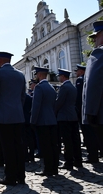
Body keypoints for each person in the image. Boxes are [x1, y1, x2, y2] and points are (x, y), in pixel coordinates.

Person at [0, 52, 26, 185]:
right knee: (19, 147)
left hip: (3, 117)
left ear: (0, 60)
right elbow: (23, 97)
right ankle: (21, 176)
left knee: (8, 148)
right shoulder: (20, 74)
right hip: (18, 116)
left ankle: (10, 177)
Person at [31, 67, 59, 177]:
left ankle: (48, 169)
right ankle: (54, 168)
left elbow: (36, 106)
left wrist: (33, 121)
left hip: (42, 121)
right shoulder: (51, 88)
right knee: (53, 146)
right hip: (52, 120)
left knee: (45, 147)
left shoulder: (39, 88)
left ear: (39, 75)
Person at [82, 20, 103, 159]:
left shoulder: (99, 53)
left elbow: (93, 84)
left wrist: (90, 111)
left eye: (96, 36)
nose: (94, 40)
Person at [55, 68, 82, 170]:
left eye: (59, 76)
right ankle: (78, 160)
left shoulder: (64, 87)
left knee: (67, 141)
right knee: (75, 140)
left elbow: (59, 102)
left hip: (64, 117)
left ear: (63, 76)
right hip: (72, 116)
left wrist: (54, 112)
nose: (59, 78)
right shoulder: (72, 87)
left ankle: (69, 162)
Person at [75, 64, 99, 163]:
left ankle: (92, 156)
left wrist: (77, 111)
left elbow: (79, 98)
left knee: (88, 135)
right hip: (92, 110)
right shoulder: (90, 79)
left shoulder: (81, 80)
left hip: (83, 111)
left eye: (77, 71)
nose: (76, 73)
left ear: (81, 71)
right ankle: (96, 154)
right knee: (93, 133)